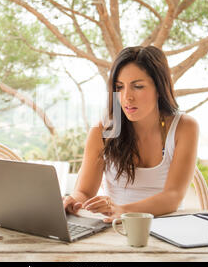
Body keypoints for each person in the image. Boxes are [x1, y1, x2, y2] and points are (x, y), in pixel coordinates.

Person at [63, 46, 199, 223]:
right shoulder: (102, 131)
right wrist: (74, 201)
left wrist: (122, 210)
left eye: (138, 86)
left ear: (159, 88)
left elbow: (172, 197)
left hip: (168, 229)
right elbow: (85, 192)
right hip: (115, 229)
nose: (127, 97)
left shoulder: (184, 127)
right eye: (119, 87)